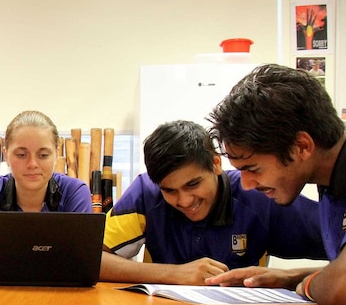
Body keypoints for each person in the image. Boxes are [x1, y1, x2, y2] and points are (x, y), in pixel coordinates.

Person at [205, 64, 346, 305]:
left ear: (302, 146)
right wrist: (291, 276)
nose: (246, 184)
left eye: (253, 168)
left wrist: (305, 285)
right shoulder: (335, 183)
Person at [101, 120, 326, 285]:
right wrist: (174, 274)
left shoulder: (257, 196)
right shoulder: (145, 193)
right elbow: (92, 259)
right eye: (169, 190)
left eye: (193, 184)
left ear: (216, 164)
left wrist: (291, 276)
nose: (184, 200)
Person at [0, 110, 91, 278]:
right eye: (21, 155)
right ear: (6, 155)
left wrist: (13, 268)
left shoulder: (75, 192)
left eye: (43, 155)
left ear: (57, 154)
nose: (32, 164)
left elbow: (83, 261)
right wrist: (36, 270)